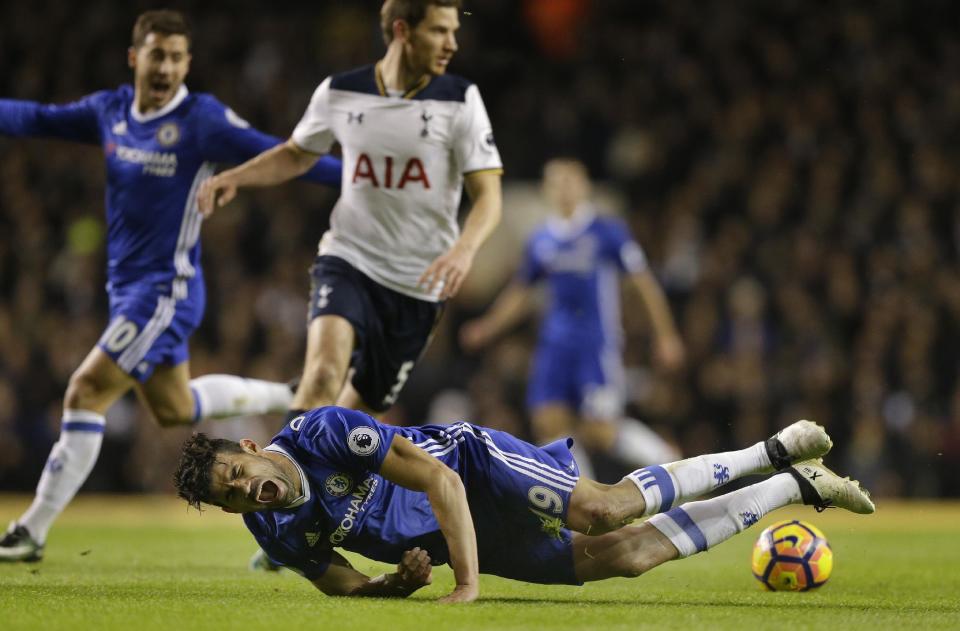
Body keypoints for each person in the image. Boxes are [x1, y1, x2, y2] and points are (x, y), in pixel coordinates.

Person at [0, 10, 342, 562]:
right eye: (157, 55)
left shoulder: (200, 120)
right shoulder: (110, 111)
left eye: (178, 57)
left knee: (86, 391)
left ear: (188, 63)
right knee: (173, 407)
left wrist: (359, 179)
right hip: (126, 289)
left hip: (166, 289)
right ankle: (289, 394)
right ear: (135, 58)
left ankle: (32, 530)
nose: (167, 67)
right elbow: (37, 117)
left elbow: (286, 154)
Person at [174, 409, 874, 602]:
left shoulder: (323, 432)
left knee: (601, 510)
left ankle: (769, 450)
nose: (247, 488)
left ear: (250, 444)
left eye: (239, 471)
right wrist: (395, 584)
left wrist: (467, 584)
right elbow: (346, 584)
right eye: (231, 495)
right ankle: (796, 486)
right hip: (455, 540)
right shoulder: (277, 532)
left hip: (472, 470)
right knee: (625, 557)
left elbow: (440, 483)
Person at [196, 0, 502, 423]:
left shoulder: (459, 99)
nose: (452, 43)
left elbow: (489, 195)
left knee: (357, 413)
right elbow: (295, 154)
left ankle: (316, 475)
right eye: (439, 31)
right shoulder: (340, 92)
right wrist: (236, 178)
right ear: (402, 31)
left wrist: (465, 249)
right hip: (349, 258)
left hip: (418, 284)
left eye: (453, 32)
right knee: (322, 373)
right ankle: (288, 479)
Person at [461, 158, 685, 479]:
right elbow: (521, 292)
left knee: (599, 431)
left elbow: (643, 283)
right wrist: (488, 326)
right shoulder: (541, 240)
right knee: (549, 425)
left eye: (570, 181)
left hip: (594, 343)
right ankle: (587, 499)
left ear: (584, 187)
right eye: (557, 182)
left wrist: (666, 334)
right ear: (546, 190)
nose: (564, 189)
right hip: (554, 343)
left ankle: (669, 460)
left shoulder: (607, 232)